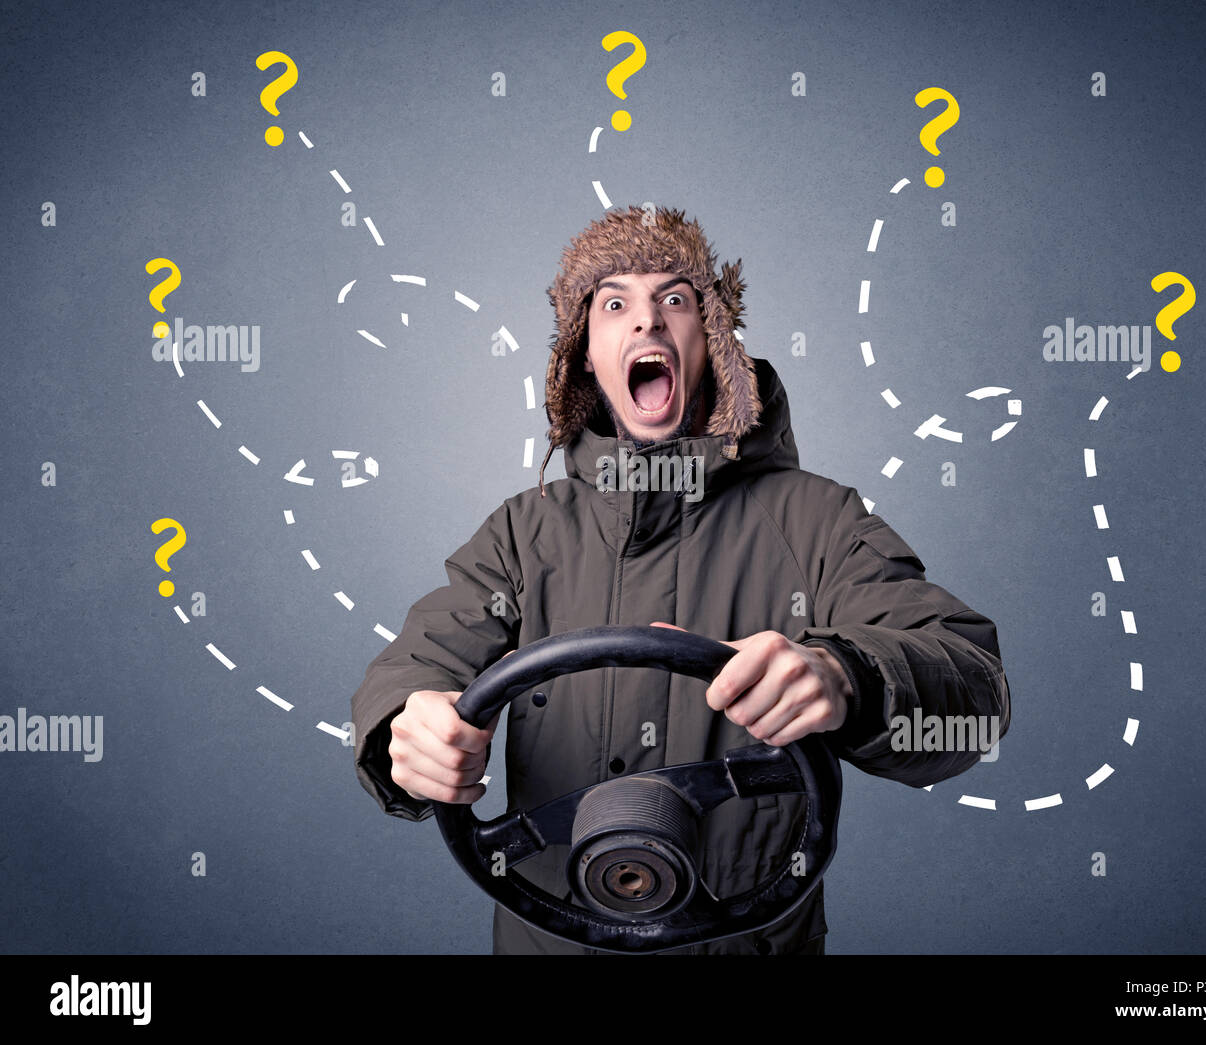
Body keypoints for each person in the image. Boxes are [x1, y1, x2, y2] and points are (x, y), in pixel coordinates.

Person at [350, 205, 1011, 955]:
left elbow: (976, 693)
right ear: (584, 357)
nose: (647, 324)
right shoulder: (521, 532)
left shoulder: (819, 521)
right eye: (614, 304)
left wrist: (848, 674)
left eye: (675, 299)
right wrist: (408, 723)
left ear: (715, 342)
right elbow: (415, 664)